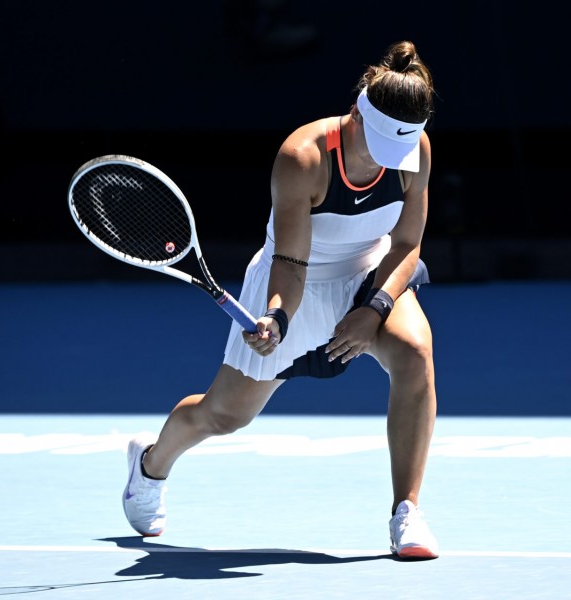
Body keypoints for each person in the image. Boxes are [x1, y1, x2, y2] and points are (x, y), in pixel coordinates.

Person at [122, 40, 440, 560]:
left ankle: (407, 510)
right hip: (296, 281)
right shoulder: (303, 158)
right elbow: (290, 264)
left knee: (414, 352)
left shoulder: (414, 151)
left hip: (370, 273)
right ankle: (150, 465)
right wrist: (275, 317)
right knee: (224, 416)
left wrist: (374, 308)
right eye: (380, 144)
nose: (390, 159)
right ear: (357, 113)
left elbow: (406, 245)